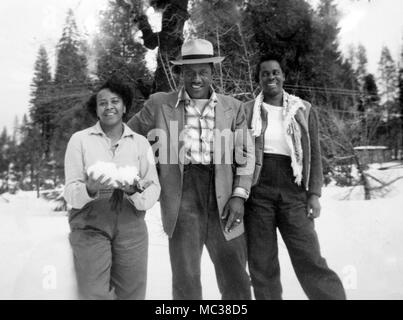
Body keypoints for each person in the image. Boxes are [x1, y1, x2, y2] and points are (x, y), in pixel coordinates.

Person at [127, 38, 255, 300]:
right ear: (180, 73)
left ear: (212, 71)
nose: (196, 78)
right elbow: (128, 137)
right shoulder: (159, 104)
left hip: (224, 195)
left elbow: (245, 155)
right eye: (189, 72)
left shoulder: (233, 107)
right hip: (182, 196)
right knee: (186, 276)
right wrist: (136, 172)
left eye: (203, 72)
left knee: (235, 275)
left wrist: (239, 195)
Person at [244, 54, 346, 300]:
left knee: (309, 256)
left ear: (283, 76)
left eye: (275, 72)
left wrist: (314, 194)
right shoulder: (246, 111)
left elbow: (314, 153)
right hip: (259, 192)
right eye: (265, 73)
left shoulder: (303, 109)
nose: (271, 77)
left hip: (294, 189)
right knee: (261, 262)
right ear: (258, 79)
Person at [63, 78, 161, 300]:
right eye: (102, 103)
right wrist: (88, 188)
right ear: (96, 110)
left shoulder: (140, 143)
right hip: (90, 223)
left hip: (131, 223)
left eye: (115, 101)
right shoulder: (79, 140)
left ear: (125, 106)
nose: (109, 107)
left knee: (132, 293)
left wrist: (134, 192)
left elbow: (154, 186)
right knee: (93, 292)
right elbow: (70, 190)